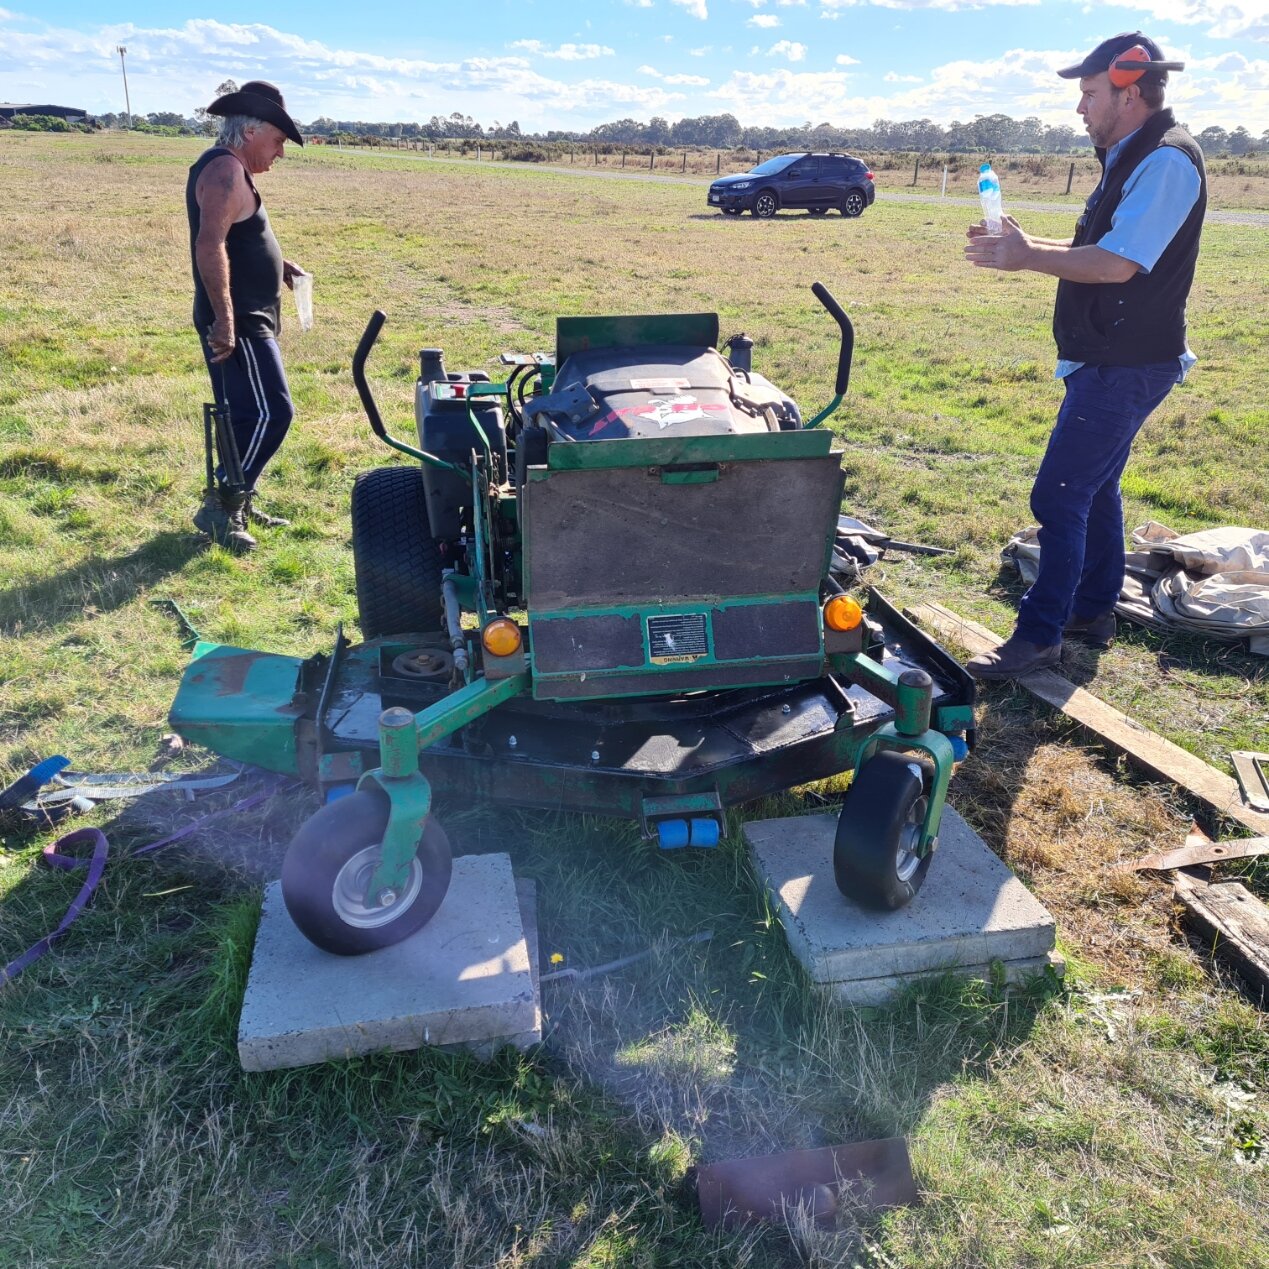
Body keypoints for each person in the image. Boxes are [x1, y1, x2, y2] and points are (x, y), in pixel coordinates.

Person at [962, 33, 1204, 679]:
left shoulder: (1164, 162)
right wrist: (1020, 243)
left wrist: (1026, 256)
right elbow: (1099, 248)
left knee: (1058, 497)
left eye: (1090, 94)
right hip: (1109, 356)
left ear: (1130, 92)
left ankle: (1038, 635)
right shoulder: (1130, 157)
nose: (1079, 109)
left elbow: (1118, 264)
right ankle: (1092, 608)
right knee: (1093, 491)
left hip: (1125, 362)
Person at [187, 80, 306, 551]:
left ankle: (239, 497)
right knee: (272, 412)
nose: (279, 153)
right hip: (239, 320)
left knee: (242, 417)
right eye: (277, 141)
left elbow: (239, 237)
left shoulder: (233, 168)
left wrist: (280, 265)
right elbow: (210, 243)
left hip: (247, 313)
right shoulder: (223, 171)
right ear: (252, 130)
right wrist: (227, 318)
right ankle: (221, 505)